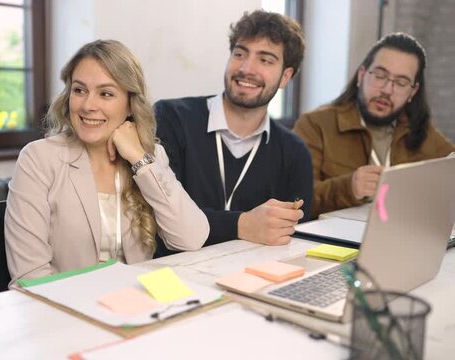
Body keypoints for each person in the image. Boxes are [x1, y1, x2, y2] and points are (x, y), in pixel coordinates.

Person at [5, 40, 209, 280]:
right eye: (79, 90)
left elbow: (191, 239)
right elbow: (30, 277)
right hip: (66, 309)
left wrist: (137, 158)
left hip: (136, 305)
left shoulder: (149, 156)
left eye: (106, 93)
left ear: (130, 103)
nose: (88, 105)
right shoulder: (39, 159)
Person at [154, 10, 312, 255]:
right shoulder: (171, 118)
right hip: (170, 276)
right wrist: (243, 224)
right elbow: (159, 217)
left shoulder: (294, 152)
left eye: (265, 60)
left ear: (286, 77)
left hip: (252, 280)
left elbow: (291, 238)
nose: (247, 68)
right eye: (239, 54)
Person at [294, 33, 455, 218]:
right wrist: (348, 188)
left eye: (401, 83)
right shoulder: (315, 125)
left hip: (397, 235)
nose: (387, 90)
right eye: (379, 76)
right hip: (329, 243)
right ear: (361, 75)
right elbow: (293, 200)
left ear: (413, 91)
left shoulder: (420, 131)